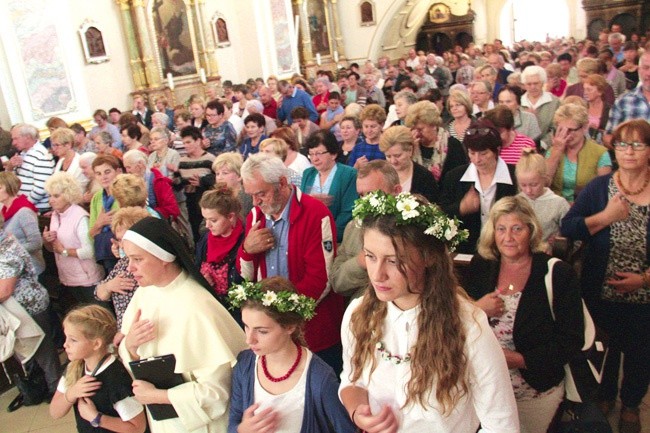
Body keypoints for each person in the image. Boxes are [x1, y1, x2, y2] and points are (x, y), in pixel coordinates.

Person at [339, 190, 518, 432]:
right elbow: (352, 379)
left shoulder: (467, 326)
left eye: (394, 261)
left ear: (428, 258)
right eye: (371, 257)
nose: (377, 274)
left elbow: (501, 423)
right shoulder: (358, 314)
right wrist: (358, 411)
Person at [561, 119, 650, 433]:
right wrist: (605, 217)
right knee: (604, 348)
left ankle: (631, 404)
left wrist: (645, 279)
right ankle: (605, 395)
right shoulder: (600, 188)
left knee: (641, 351)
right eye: (623, 144)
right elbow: (568, 227)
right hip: (600, 288)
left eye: (638, 144)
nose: (628, 151)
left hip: (645, 294)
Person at [466, 196, 583, 433]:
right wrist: (478, 308)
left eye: (516, 229)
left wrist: (517, 359)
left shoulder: (558, 274)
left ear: (530, 231)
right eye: (501, 229)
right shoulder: (481, 266)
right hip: (483, 388)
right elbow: (455, 321)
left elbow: (571, 340)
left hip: (534, 391)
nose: (508, 237)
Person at [119, 217, 247, 432]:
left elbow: (217, 393)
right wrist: (130, 347)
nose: (129, 268)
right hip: (163, 421)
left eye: (137, 259)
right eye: (128, 259)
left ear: (163, 258)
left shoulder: (198, 307)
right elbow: (132, 354)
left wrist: (159, 396)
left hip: (199, 424)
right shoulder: (145, 293)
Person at [237, 153, 344, 374]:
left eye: (261, 194)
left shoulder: (316, 213)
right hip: (271, 329)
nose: (255, 202)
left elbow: (320, 281)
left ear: (283, 183)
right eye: (251, 195)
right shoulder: (256, 216)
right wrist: (247, 250)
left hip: (312, 330)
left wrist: (282, 318)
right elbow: (246, 276)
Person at [227, 277, 356, 433]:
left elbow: (346, 428)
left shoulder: (319, 378)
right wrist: (241, 430)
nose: (249, 339)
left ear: (290, 327)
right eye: (246, 327)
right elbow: (233, 422)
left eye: (262, 331)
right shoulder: (244, 364)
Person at [50, 305, 147, 433]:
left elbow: (138, 428)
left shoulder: (117, 377)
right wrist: (71, 393)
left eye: (73, 340)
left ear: (96, 344)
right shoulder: (74, 368)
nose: (65, 344)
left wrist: (97, 418)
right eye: (66, 337)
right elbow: (55, 413)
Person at [0, 221, 61, 396]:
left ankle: (56, 389)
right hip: (19, 307)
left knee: (43, 351)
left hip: (29, 306)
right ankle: (41, 386)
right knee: (33, 353)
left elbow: (5, 289)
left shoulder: (6, 249)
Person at [440, 120, 518, 254]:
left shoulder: (514, 176)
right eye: (472, 153)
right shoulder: (454, 177)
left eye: (483, 154)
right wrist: (461, 208)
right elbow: (440, 215)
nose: (477, 159)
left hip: (505, 250)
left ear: (497, 150)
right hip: (465, 252)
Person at [330, 161, 401, 300]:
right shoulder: (353, 227)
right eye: (361, 195)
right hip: (361, 313)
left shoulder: (414, 228)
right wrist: (360, 262)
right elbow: (336, 282)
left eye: (372, 194)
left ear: (396, 191)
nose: (365, 201)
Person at [43, 172, 105, 306]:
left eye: (56, 196)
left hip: (87, 279)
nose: (51, 200)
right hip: (67, 278)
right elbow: (53, 248)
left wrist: (64, 251)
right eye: (49, 196)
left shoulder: (81, 217)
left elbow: (89, 252)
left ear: (68, 195)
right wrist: (47, 241)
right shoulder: (55, 215)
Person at [94, 207, 149, 342]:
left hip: (142, 334)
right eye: (119, 239)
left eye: (125, 239)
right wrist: (109, 286)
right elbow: (99, 294)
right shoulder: (123, 263)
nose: (122, 245)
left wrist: (125, 332)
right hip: (124, 334)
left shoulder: (150, 265)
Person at [545, 103, 612, 203]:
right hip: (554, 205)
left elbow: (603, 192)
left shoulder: (601, 153)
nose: (567, 135)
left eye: (571, 130)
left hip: (586, 207)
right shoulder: (553, 150)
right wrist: (557, 151)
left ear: (584, 127)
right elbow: (543, 184)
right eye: (562, 130)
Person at [301, 130, 359, 243]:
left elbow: (348, 212)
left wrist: (326, 235)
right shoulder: (308, 173)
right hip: (308, 235)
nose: (314, 159)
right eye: (311, 154)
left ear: (333, 154)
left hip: (335, 237)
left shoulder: (349, 174)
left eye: (318, 153)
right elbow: (300, 205)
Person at [195, 186, 245, 306]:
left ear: (231, 217)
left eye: (213, 220)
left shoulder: (244, 241)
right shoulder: (205, 240)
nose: (207, 225)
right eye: (205, 219)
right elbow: (196, 267)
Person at [515, 150, 569, 243]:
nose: (528, 190)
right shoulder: (515, 202)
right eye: (523, 185)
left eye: (534, 184)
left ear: (544, 178)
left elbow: (571, 236)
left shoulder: (559, 204)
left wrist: (557, 243)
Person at [0, 172, 45, 275]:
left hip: (30, 268)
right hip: (14, 267)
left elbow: (36, 243)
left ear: (9, 188)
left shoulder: (24, 211)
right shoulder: (4, 209)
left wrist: (10, 249)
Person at [379, 125, 439, 203]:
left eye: (398, 155)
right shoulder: (380, 174)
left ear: (410, 150)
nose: (393, 161)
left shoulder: (424, 177)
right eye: (388, 156)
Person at [5, 123, 55, 213]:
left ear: (27, 137)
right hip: (27, 207)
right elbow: (12, 181)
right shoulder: (23, 153)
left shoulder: (40, 156)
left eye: (16, 138)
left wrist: (25, 205)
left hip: (37, 209)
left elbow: (41, 188)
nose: (13, 143)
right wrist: (10, 167)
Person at [604, 50, 650, 147]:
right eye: (646, 68)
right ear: (638, 70)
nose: (649, 73)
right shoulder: (623, 101)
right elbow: (608, 136)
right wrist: (627, 147)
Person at [89, 155, 122, 274]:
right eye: (98, 173)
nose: (103, 177)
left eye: (107, 172)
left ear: (118, 171)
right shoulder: (97, 198)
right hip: (106, 253)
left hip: (125, 251)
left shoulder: (126, 192)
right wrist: (100, 223)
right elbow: (91, 234)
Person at [520, 66, 561, 147]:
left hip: (547, 149)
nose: (532, 87)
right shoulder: (518, 102)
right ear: (524, 85)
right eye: (529, 84)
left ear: (542, 83)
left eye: (536, 83)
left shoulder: (554, 102)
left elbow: (557, 128)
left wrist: (542, 144)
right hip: (520, 150)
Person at [347, 104, 386, 168]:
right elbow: (349, 174)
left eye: (373, 126)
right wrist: (356, 166)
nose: (369, 130)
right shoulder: (357, 148)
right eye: (366, 126)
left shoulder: (386, 147)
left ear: (382, 125)